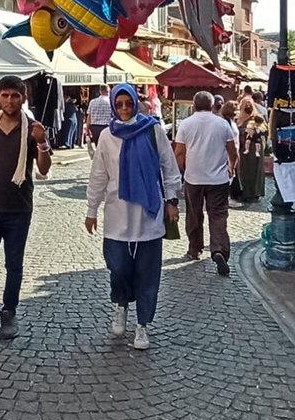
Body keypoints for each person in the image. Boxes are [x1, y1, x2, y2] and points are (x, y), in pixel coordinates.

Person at [85, 84, 182, 350]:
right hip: (116, 213)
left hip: (148, 213)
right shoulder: (107, 136)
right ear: (114, 106)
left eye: (129, 103)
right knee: (118, 267)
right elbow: (99, 176)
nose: (125, 109)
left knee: (148, 273)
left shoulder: (152, 130)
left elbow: (169, 167)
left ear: (136, 103)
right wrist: (91, 209)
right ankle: (121, 303)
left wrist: (172, 201)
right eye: (120, 104)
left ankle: (142, 325)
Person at [0, 76, 52, 342]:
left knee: (14, 265)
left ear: (23, 98)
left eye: (15, 96)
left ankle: (9, 312)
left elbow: (44, 169)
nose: (9, 101)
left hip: (19, 209)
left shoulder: (31, 128)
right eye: (4, 95)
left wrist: (42, 142)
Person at [173, 91, 239, 275]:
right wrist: (232, 166)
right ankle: (219, 250)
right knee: (218, 216)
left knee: (194, 214)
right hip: (218, 178)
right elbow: (232, 150)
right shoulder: (221, 124)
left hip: (193, 177)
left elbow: (179, 152)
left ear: (193, 105)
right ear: (212, 105)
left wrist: (181, 171)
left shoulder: (186, 124)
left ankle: (195, 248)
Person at [235, 98, 268, 203]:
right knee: (244, 170)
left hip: (254, 148)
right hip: (243, 148)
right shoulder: (238, 118)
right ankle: (244, 192)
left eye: (250, 104)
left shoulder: (257, 118)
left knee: (254, 170)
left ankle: (254, 193)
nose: (248, 106)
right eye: (246, 104)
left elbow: (265, 130)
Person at [85, 85, 113, 151]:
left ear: (100, 91)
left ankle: (100, 159)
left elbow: (89, 117)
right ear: (108, 92)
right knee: (107, 147)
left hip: (95, 127)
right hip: (107, 127)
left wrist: (87, 130)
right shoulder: (110, 102)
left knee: (98, 146)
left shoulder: (92, 102)